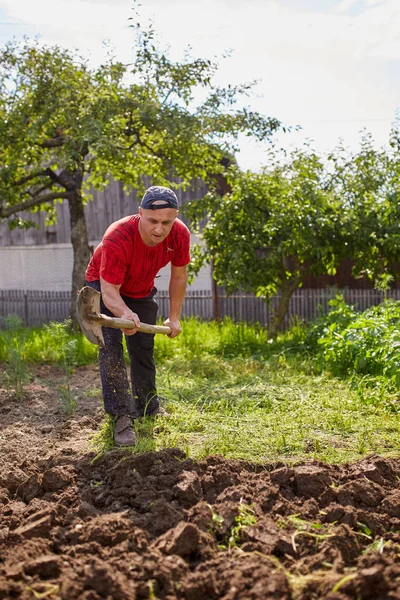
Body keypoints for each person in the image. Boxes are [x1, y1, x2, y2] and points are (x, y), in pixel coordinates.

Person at [85, 185, 190, 447]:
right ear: (140, 213)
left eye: (167, 222)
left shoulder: (179, 234)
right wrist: (124, 313)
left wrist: (174, 317)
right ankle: (121, 416)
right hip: (104, 287)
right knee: (111, 348)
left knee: (143, 346)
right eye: (153, 220)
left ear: (175, 218)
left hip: (141, 287)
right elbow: (110, 292)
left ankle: (147, 407)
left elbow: (179, 276)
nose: (159, 229)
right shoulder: (118, 235)